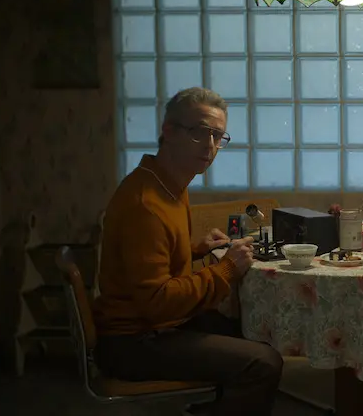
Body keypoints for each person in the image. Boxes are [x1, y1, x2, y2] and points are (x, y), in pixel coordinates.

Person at [92, 87, 283, 416]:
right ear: (168, 131)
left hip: (155, 323)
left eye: (218, 136)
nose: (210, 146)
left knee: (255, 330)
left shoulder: (166, 182)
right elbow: (158, 301)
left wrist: (197, 250)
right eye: (199, 132)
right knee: (262, 363)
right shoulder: (146, 203)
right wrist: (227, 269)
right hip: (133, 340)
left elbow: (149, 261)